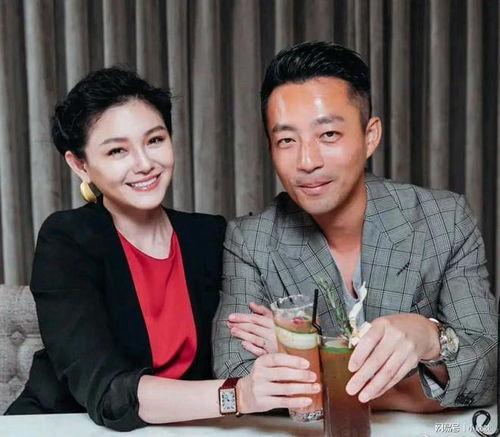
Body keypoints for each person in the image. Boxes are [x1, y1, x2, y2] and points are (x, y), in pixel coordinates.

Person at [5, 68, 321, 431]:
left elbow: (246, 336)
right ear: (80, 164)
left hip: (178, 429)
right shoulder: (67, 239)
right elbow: (110, 393)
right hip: (61, 425)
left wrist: (285, 341)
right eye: (117, 150)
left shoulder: (210, 235)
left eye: (155, 140)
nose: (144, 164)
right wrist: (239, 395)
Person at [213, 41, 497, 412]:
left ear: (370, 136)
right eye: (286, 140)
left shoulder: (443, 219)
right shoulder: (251, 240)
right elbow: (237, 376)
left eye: (328, 135)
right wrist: (415, 387)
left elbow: (488, 369)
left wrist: (430, 338)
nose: (307, 161)